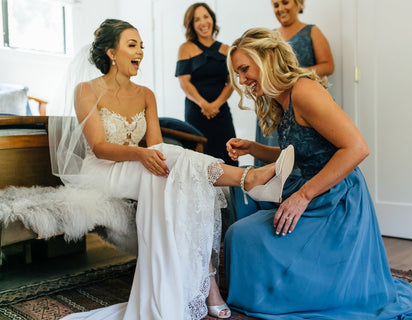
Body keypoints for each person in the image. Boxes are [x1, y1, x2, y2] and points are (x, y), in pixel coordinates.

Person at [52, 20, 295, 320]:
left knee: (178, 176)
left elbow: (158, 147)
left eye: (142, 45)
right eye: (132, 44)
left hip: (139, 163)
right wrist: (141, 154)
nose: (140, 50)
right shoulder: (86, 90)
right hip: (103, 170)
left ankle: (208, 281)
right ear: (111, 52)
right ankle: (248, 179)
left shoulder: (146, 94)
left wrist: (148, 155)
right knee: (170, 172)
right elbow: (99, 146)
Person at [223, 27, 412, 319]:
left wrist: (303, 196)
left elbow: (357, 147)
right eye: (238, 74)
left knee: (241, 236)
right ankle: (268, 280)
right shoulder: (280, 97)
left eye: (245, 70)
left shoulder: (304, 91)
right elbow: (300, 154)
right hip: (310, 185)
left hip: (336, 199)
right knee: (242, 197)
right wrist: (254, 148)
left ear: (268, 57)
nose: (243, 81)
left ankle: (280, 288)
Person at [255, 0, 335, 167]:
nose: (281, 9)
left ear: (298, 4)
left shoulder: (312, 31)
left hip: (301, 102)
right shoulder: (269, 37)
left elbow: (328, 65)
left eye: (285, 3)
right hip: (275, 106)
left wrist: (293, 76)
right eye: (276, 5)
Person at [176, 2, 238, 166]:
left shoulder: (226, 49)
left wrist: (216, 104)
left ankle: (231, 192)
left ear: (212, 19)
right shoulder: (185, 48)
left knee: (228, 157)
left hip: (221, 111)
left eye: (206, 16)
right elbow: (184, 82)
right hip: (196, 112)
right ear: (192, 25)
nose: (203, 22)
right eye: (197, 19)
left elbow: (231, 82)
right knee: (198, 161)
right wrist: (204, 104)